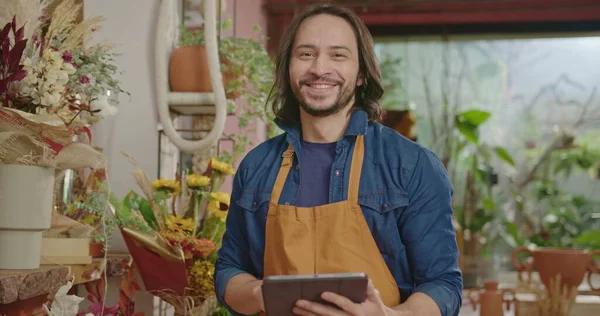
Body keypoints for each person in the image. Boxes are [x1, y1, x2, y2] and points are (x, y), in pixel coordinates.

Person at [214, 3, 462, 316]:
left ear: (361, 73)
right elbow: (229, 270)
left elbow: (441, 284)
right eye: (305, 54)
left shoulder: (412, 165)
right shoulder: (257, 166)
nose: (319, 68)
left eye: (338, 55)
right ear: (288, 67)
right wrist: (259, 293)